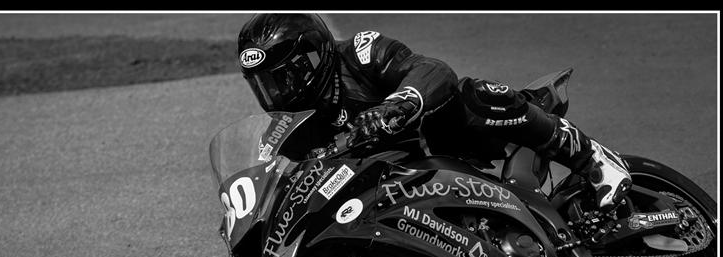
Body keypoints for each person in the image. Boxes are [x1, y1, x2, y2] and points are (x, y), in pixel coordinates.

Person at [237, 13, 632, 212]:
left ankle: (593, 159)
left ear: (311, 57)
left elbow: (433, 71)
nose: (276, 92)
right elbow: (274, 179)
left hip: (449, 135)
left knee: (475, 94)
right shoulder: (290, 129)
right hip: (396, 187)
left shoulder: (358, 52)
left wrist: (401, 103)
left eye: (282, 78)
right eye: (264, 84)